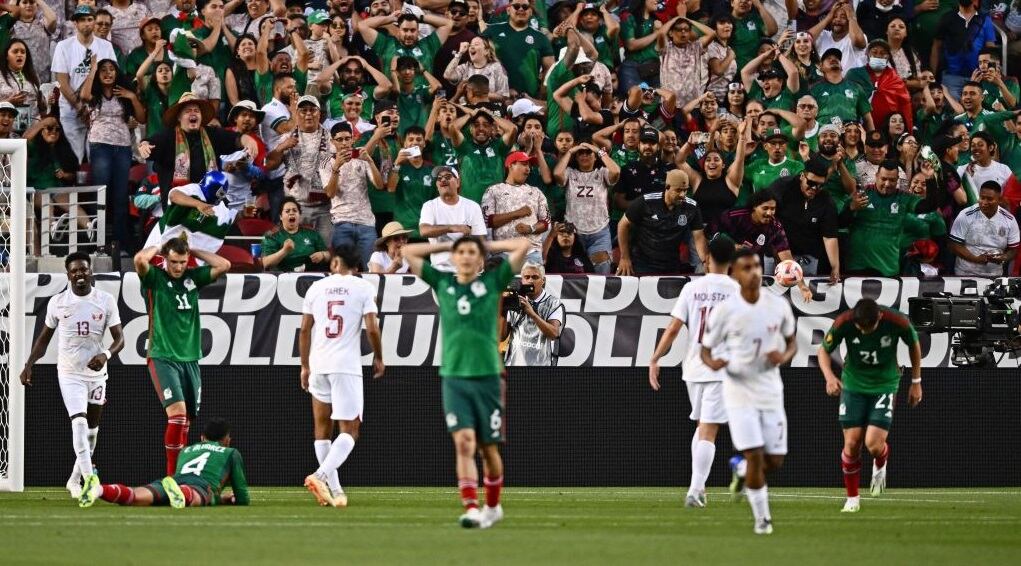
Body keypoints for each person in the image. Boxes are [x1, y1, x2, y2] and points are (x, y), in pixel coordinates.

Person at [404, 235, 531, 529]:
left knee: (488, 448)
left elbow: (523, 245)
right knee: (463, 443)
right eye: (460, 252)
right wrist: (445, 246)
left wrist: (488, 245)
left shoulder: (492, 282)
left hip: (488, 375)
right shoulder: (443, 283)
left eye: (471, 252)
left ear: (480, 259)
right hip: (453, 376)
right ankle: (471, 507)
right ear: (454, 256)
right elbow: (409, 251)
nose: (465, 256)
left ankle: (493, 506)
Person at [701, 248, 797, 535]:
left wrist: (785, 354)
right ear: (735, 273)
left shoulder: (777, 306)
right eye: (747, 267)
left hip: (770, 390)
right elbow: (705, 350)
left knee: (774, 461)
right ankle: (762, 519)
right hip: (738, 389)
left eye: (757, 266)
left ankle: (741, 470)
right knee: (755, 455)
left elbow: (791, 341)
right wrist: (714, 362)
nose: (754, 272)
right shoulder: (725, 311)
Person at [19, 252, 124, 499]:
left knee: (92, 432)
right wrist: (29, 364)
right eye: (75, 271)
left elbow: (120, 339)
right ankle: (91, 481)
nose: (79, 274)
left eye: (84, 270)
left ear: (90, 272)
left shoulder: (105, 300)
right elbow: (44, 339)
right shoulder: (58, 302)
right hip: (69, 373)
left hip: (97, 374)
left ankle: (74, 479)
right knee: (78, 422)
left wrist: (105, 355)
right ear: (68, 275)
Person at [648, 235, 739, 508]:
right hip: (719, 368)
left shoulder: (692, 288)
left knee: (701, 426)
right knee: (708, 430)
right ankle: (695, 490)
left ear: (707, 257)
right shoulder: (737, 290)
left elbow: (674, 328)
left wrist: (654, 358)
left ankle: (697, 488)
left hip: (692, 368)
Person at [133, 237, 231, 476]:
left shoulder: (192, 278)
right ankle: (172, 478)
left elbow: (224, 265)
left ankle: (181, 476)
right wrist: (159, 246)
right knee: (177, 415)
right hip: (163, 356)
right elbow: (139, 259)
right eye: (174, 262)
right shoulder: (154, 278)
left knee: (186, 422)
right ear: (165, 259)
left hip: (190, 359)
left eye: (183, 262)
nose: (178, 267)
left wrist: (194, 250)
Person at [818, 298, 922, 513]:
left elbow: (914, 344)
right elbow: (823, 350)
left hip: (884, 384)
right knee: (852, 444)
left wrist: (916, 382)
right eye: (860, 328)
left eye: (869, 327)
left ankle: (880, 462)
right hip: (853, 385)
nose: (864, 332)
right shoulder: (844, 322)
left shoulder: (896, 321)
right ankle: (853, 498)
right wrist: (829, 377)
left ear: (880, 318)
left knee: (873, 444)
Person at [300, 246, 385, 508]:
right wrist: (379, 356)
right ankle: (320, 476)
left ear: (335, 263)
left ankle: (335, 492)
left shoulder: (316, 288)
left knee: (322, 430)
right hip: (345, 366)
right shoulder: (363, 288)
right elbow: (372, 328)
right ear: (358, 268)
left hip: (318, 362)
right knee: (351, 429)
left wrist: (304, 366)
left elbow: (304, 330)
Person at [79, 418, 250, 508]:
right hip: (200, 486)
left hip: (175, 480)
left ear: (202, 438)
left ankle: (99, 489)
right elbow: (242, 497)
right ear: (227, 440)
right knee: (196, 496)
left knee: (135, 496)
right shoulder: (231, 453)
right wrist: (224, 499)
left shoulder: (187, 450)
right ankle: (182, 494)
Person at [51, 4, 118, 162]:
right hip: (70, 109)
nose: (87, 23)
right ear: (75, 23)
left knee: (96, 156)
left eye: (90, 19)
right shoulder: (63, 46)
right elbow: (62, 81)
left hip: (98, 110)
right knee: (75, 157)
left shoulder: (105, 46)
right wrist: (80, 107)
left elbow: (113, 77)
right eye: (82, 20)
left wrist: (93, 108)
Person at [617, 169, 707, 275]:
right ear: (667, 187)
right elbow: (623, 225)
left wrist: (705, 262)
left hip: (671, 264)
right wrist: (624, 258)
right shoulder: (646, 202)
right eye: (678, 190)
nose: (683, 195)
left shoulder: (691, 207)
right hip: (642, 263)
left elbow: (699, 237)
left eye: (685, 190)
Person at [842, 160, 921, 276]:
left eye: (892, 180)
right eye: (883, 179)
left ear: (898, 179)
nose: (887, 184)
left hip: (888, 270)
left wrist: (930, 178)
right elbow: (840, 223)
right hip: (857, 267)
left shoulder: (904, 198)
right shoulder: (861, 195)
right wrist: (851, 208)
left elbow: (928, 206)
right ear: (876, 176)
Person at [769, 155, 841, 283]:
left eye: (820, 185)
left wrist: (835, 266)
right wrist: (777, 254)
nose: (814, 188)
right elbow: (766, 219)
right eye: (811, 183)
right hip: (776, 252)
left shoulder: (825, 199)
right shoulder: (782, 188)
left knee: (804, 296)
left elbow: (829, 236)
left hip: (806, 256)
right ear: (802, 176)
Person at [553, 141, 620, 274]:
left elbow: (616, 171)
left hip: (599, 233)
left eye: (588, 153)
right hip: (573, 233)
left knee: (602, 272)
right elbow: (557, 174)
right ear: (576, 157)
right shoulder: (570, 173)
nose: (584, 155)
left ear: (595, 156)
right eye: (580, 153)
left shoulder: (602, 173)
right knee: (574, 273)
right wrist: (571, 151)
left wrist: (597, 150)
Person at [481, 151, 551, 264]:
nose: (528, 168)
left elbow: (546, 222)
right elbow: (487, 220)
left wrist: (531, 228)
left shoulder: (536, 192)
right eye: (524, 164)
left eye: (529, 165)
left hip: (531, 252)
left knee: (533, 282)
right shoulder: (493, 190)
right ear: (510, 165)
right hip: (502, 253)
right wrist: (516, 213)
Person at [419, 165, 489, 271]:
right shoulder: (429, 206)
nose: (443, 180)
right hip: (441, 269)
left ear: (458, 182)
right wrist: (452, 228)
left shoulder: (472, 206)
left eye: (448, 177)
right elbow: (424, 231)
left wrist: (480, 260)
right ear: (437, 186)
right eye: (439, 178)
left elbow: (480, 238)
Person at [948, 181, 1020, 277]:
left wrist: (1004, 257)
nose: (984, 202)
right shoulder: (965, 215)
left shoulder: (1009, 220)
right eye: (982, 198)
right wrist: (976, 259)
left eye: (989, 199)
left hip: (995, 275)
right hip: (966, 273)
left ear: (999, 199)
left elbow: (1013, 250)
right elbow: (954, 245)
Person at [502, 262, 565, 367]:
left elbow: (554, 334)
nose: (530, 281)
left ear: (543, 281)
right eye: (527, 277)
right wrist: (502, 310)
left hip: (541, 367)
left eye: (535, 277)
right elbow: (501, 337)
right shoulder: (514, 301)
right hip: (514, 364)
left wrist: (532, 314)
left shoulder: (554, 304)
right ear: (522, 280)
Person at [261, 196, 331, 272]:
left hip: (308, 276)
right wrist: (284, 251)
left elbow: (329, 255)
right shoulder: (272, 236)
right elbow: (266, 263)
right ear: (281, 217)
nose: (291, 213)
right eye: (287, 211)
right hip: (282, 278)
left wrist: (322, 255)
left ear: (299, 215)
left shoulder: (311, 233)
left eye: (295, 210)